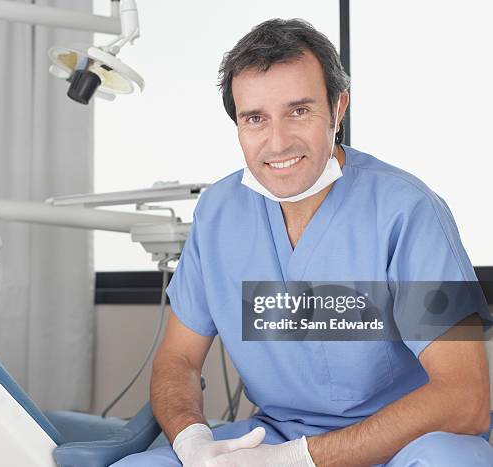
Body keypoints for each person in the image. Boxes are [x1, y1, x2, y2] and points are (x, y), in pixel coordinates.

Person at [113, 18, 493, 466]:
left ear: (337, 109)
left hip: (403, 441)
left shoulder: (408, 211)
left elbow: (465, 398)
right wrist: (193, 441)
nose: (277, 142)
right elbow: (177, 359)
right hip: (273, 435)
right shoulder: (219, 214)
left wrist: (298, 460)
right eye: (255, 118)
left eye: (299, 111)